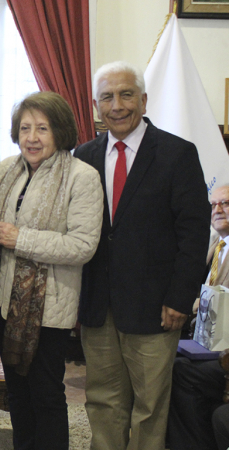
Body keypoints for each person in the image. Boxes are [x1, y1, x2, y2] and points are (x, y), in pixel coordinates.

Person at [74, 60, 211, 449]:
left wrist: (179, 297)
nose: (117, 105)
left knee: (150, 404)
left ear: (144, 100)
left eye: (126, 94)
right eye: (107, 97)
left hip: (157, 307)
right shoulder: (82, 156)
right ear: (97, 106)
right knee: (102, 398)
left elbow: (193, 232)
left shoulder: (177, 153)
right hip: (98, 304)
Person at [0, 91, 103, 449]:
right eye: (25, 128)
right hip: (4, 304)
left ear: (60, 131)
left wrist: (22, 239)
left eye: (42, 129)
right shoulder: (7, 168)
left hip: (48, 310)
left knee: (46, 394)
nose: (31, 137)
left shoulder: (82, 176)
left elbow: (82, 246)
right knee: (16, 394)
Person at [167, 184, 229, 450]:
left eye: (225, 203)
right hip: (204, 334)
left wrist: (184, 306)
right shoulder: (217, 243)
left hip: (223, 344)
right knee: (167, 361)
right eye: (213, 204)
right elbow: (189, 273)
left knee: (182, 372)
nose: (217, 210)